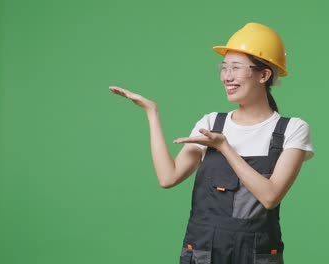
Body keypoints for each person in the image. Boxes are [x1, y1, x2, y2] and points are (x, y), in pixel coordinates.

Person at [109, 22, 314, 264]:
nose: (227, 76)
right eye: (224, 68)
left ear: (264, 75)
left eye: (236, 68)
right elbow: (168, 177)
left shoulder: (292, 129)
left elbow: (270, 197)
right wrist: (152, 113)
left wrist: (224, 147)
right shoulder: (211, 122)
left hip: (256, 256)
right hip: (203, 252)